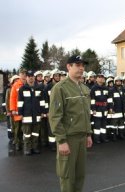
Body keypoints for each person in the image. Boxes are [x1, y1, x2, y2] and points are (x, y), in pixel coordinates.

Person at [49, 55, 93, 192]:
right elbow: (55, 116)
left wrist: (88, 134)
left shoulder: (84, 88)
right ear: (69, 66)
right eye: (77, 65)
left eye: (82, 65)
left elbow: (85, 113)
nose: (81, 68)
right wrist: (61, 140)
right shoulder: (60, 88)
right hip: (68, 138)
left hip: (81, 137)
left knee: (80, 175)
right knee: (67, 175)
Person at [18, 70, 45, 155]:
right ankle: (27, 149)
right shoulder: (22, 89)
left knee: (35, 133)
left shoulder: (39, 88)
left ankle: (34, 147)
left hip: (37, 115)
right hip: (27, 116)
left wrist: (43, 112)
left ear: (34, 78)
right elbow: (20, 102)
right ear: (26, 78)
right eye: (29, 77)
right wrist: (20, 113)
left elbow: (42, 101)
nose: (31, 78)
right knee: (27, 134)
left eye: (32, 77)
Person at [90, 74, 111, 144]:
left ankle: (103, 138)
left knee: (104, 125)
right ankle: (96, 139)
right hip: (97, 109)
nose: (101, 79)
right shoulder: (93, 88)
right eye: (99, 78)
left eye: (102, 78)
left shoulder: (106, 88)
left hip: (104, 109)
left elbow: (109, 99)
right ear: (96, 79)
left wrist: (110, 108)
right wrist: (93, 109)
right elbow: (92, 100)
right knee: (97, 126)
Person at [10, 68, 27, 151]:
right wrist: (12, 109)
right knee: (18, 129)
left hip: (26, 111)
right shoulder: (16, 85)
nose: (24, 75)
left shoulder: (28, 84)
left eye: (25, 73)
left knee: (26, 128)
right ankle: (17, 143)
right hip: (17, 111)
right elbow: (12, 98)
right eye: (22, 73)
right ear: (19, 75)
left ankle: (25, 143)